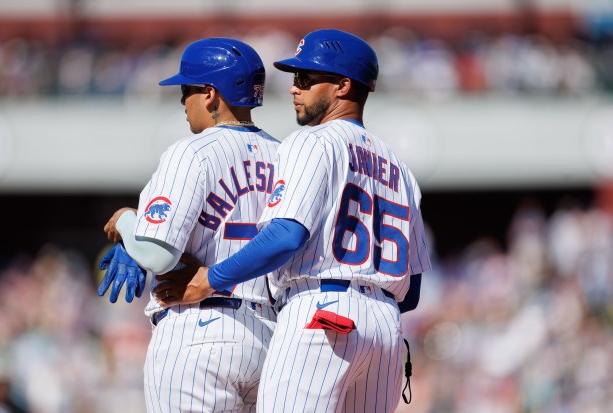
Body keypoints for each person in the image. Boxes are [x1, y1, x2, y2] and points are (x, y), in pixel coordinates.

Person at [155, 29, 432, 413]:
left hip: (321, 312)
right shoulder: (401, 169)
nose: (293, 88)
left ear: (342, 86)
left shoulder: (313, 141)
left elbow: (286, 235)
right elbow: (413, 290)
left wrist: (211, 279)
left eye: (305, 79)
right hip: (386, 328)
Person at [97, 37, 280, 413]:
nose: (182, 101)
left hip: (197, 328)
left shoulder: (191, 151)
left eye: (187, 90)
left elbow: (156, 254)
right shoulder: (286, 154)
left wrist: (128, 222)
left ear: (211, 94)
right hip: (269, 337)